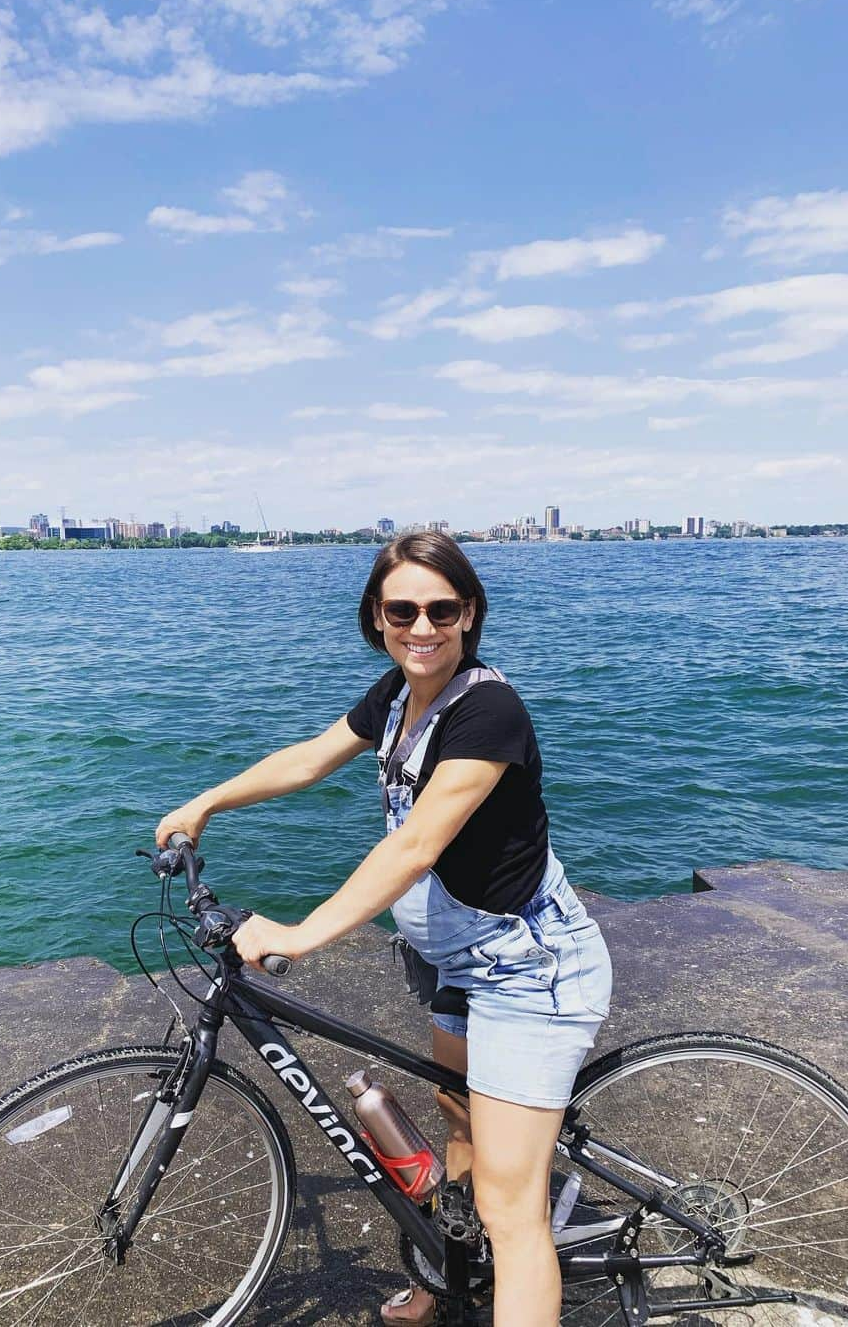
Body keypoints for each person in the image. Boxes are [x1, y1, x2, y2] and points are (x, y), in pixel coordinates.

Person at [156, 532, 612, 1327]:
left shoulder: (489, 711)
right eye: (403, 610)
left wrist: (300, 933)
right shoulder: (399, 695)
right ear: (377, 616)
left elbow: (416, 844)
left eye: (442, 609)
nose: (422, 626)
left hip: (526, 972)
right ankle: (448, 1275)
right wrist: (206, 803)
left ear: (469, 614)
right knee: (459, 1125)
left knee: (513, 1214)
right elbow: (308, 758)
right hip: (455, 962)